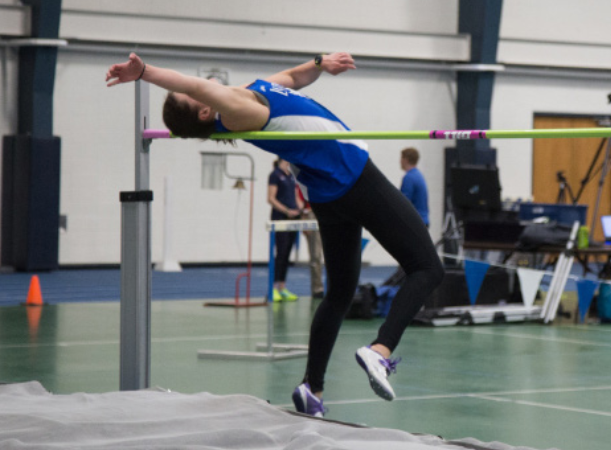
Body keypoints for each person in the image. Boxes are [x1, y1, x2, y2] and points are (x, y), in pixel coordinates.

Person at [106, 52, 444, 417]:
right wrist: (145, 73)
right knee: (427, 268)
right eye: (199, 95)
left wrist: (319, 64)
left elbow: (291, 79)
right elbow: (194, 84)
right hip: (353, 175)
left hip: (328, 193)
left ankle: (310, 387)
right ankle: (380, 351)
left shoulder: (246, 93)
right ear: (205, 111)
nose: (208, 85)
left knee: (341, 292)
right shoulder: (235, 109)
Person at [268, 158, 302, 302]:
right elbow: (271, 198)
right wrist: (287, 210)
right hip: (281, 218)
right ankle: (274, 288)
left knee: (287, 252)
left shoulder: (291, 176)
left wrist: (299, 207)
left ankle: (282, 287)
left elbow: (296, 197)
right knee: (280, 252)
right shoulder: (275, 175)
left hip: (293, 219)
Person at [297, 185, 325, 300]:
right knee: (316, 255)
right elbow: (299, 198)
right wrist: (304, 218)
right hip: (312, 214)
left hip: (327, 211)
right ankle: (318, 288)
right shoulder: (304, 179)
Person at [400, 147, 429, 227]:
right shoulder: (418, 175)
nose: (400, 161)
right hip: (423, 220)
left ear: (406, 160)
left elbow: (404, 202)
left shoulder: (409, 177)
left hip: (415, 222)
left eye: (401, 158)